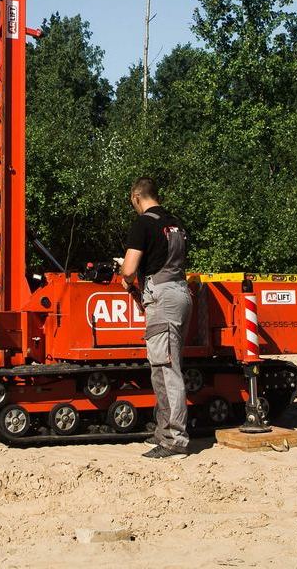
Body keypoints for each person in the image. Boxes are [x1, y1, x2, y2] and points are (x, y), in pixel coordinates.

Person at [121, 176, 192, 459]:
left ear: (137, 196)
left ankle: (175, 441)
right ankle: (166, 432)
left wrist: (126, 277)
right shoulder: (175, 223)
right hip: (180, 293)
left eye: (132, 202)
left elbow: (129, 269)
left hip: (162, 300)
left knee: (165, 370)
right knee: (166, 367)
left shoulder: (143, 224)